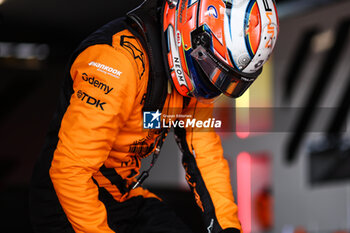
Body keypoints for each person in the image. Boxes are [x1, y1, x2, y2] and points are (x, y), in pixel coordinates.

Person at [29, 0, 279, 232]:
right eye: (211, 68)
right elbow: (70, 171)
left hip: (122, 195)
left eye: (223, 78)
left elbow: (205, 156)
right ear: (189, 28)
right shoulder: (115, 63)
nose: (211, 82)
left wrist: (229, 229)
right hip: (66, 200)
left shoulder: (198, 76)